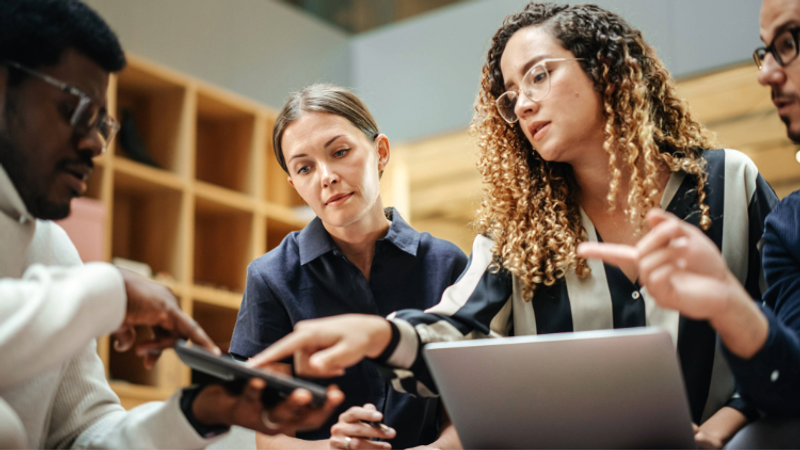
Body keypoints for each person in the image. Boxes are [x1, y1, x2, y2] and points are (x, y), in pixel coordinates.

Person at [246, 3, 780, 448]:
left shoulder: (731, 183)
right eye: (510, 92)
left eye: (540, 75)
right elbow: (455, 333)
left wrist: (718, 432)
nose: (523, 103)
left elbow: (782, 337)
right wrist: (381, 335)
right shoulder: (515, 230)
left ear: (605, 67)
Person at [0, 1, 341, 447]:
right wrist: (111, 291)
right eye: (76, 110)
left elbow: (79, 437)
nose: (94, 144)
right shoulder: (86, 285)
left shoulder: (54, 249)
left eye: (103, 123)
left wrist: (194, 415)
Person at [577, 0, 800, 446]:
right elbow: (791, 390)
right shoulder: (789, 229)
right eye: (767, 51)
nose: (767, 73)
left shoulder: (732, 178)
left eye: (789, 43)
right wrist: (730, 305)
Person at [229, 84, 467, 450]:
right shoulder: (270, 277)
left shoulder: (447, 264)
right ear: (296, 185)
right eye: (305, 167)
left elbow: (464, 415)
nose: (326, 176)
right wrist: (333, 448)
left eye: (340, 152)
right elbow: (270, 436)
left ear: (380, 152)